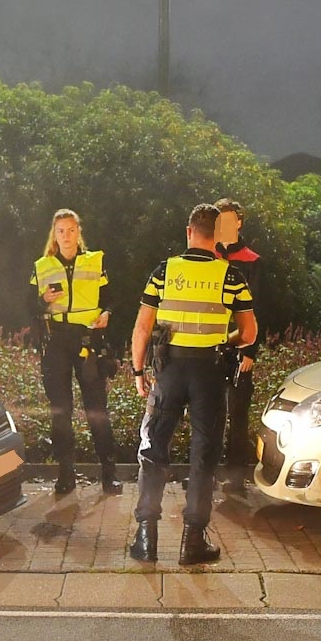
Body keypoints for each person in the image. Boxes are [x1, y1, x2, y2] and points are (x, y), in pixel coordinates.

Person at [128, 203, 257, 565]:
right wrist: (223, 341)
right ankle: (194, 542)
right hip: (209, 376)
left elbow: (141, 328)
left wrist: (139, 373)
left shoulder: (163, 271)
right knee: (203, 456)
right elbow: (249, 332)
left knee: (153, 450)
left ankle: (145, 538)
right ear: (215, 238)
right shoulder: (231, 276)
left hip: (169, 372)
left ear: (189, 232)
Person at [31, 208, 122, 496]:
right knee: (61, 412)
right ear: (54, 235)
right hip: (57, 341)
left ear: (78, 232)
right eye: (61, 231)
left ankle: (109, 475)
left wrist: (107, 313)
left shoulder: (94, 262)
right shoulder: (42, 266)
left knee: (97, 409)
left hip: (88, 341)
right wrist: (44, 299)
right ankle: (65, 475)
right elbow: (27, 308)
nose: (67, 236)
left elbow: (110, 299)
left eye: (71, 230)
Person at [212, 198, 262, 497]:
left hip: (238, 347)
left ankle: (235, 476)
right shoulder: (207, 256)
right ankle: (206, 472)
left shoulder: (252, 260)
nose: (225, 226)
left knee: (238, 413)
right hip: (209, 347)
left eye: (230, 220)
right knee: (208, 413)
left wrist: (249, 351)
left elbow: (258, 309)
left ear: (239, 222)